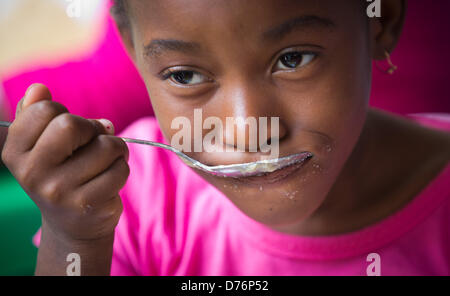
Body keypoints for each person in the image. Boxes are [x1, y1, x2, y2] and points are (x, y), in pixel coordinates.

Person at [1, 0, 449, 276]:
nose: (245, 127)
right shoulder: (127, 202)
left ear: (381, 18)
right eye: (185, 74)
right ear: (134, 52)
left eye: (292, 59)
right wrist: (75, 240)